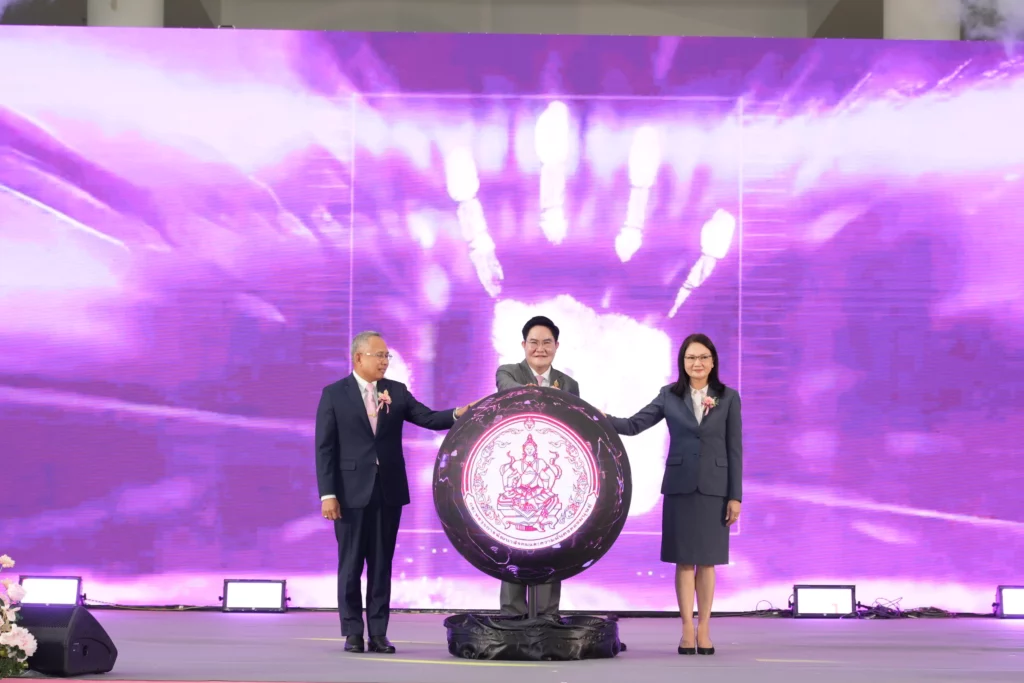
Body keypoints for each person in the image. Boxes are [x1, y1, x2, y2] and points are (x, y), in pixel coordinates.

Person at [315, 330, 473, 654]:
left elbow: (428, 418)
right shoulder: (334, 394)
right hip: (349, 493)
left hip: (387, 491)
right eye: (379, 355)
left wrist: (458, 413)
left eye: (387, 356)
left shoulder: (396, 392)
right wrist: (327, 494)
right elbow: (325, 449)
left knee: (381, 564)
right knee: (350, 564)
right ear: (358, 358)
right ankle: (352, 632)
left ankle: (378, 633)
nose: (385, 361)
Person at [605, 333, 742, 656]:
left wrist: (735, 496)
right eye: (691, 357)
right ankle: (686, 631)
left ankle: (704, 629)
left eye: (703, 357)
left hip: (714, 488)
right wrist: (600, 418)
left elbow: (734, 449)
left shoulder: (729, 397)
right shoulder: (669, 395)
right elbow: (634, 425)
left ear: (713, 361)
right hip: (680, 486)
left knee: (707, 562)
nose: (697, 363)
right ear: (683, 362)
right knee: (683, 561)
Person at [494, 315, 580, 617]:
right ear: (523, 345)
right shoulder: (508, 371)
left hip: (551, 471)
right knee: (513, 540)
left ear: (556, 346)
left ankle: (546, 615)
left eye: (546, 342)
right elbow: (511, 392)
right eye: (534, 342)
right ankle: (512, 614)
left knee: (550, 540)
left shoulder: (569, 384)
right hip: (515, 466)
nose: (540, 349)